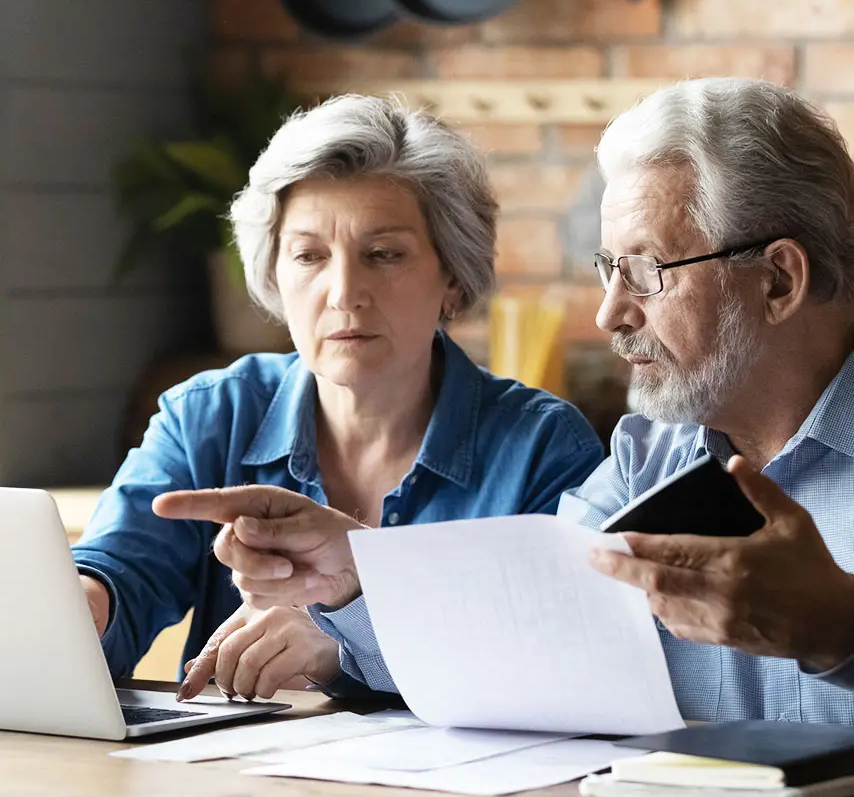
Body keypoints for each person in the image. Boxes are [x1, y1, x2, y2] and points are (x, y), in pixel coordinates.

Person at [157, 78, 854, 723]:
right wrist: (355, 572)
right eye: (609, 269)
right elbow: (527, 629)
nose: (610, 313)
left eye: (644, 271)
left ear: (777, 281)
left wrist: (838, 632)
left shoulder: (557, 439)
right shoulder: (652, 455)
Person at [72, 94, 604, 702]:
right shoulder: (209, 416)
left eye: (384, 254)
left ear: (453, 278)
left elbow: (562, 660)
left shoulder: (543, 448)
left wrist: (349, 646)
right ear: (275, 273)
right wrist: (84, 607)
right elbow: (122, 571)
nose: (345, 293)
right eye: (309, 256)